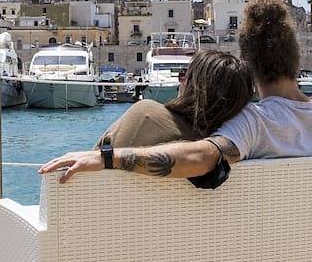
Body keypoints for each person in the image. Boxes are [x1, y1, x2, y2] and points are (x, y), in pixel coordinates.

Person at [40, 0, 312, 182]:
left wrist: (108, 158)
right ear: (296, 58)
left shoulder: (256, 122)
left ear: (248, 66)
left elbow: (202, 156)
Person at [94, 50, 253, 187]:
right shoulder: (239, 146)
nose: (180, 80)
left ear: (194, 86)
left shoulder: (146, 115)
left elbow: (90, 164)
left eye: (184, 75)